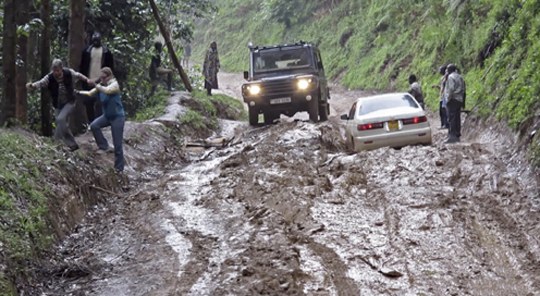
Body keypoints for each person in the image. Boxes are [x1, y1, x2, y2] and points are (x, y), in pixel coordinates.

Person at [26, 59, 91, 151]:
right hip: (58, 104)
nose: (56, 73)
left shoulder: (69, 73)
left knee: (60, 119)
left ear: (61, 69)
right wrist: (32, 85)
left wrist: (87, 80)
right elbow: (41, 82)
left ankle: (63, 142)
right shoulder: (50, 77)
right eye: (54, 70)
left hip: (70, 101)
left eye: (57, 70)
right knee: (60, 123)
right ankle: (64, 144)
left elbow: (78, 75)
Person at [76, 67, 125, 172]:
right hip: (107, 116)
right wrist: (79, 92)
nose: (102, 79)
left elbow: (107, 91)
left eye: (103, 78)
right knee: (94, 126)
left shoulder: (114, 85)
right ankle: (103, 145)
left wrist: (97, 85)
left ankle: (119, 169)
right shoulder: (101, 86)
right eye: (101, 78)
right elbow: (90, 93)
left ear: (109, 76)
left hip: (117, 117)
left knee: (118, 145)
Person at [80, 32, 115, 122]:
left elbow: (110, 67)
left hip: (101, 81)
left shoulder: (106, 52)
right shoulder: (86, 51)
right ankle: (91, 123)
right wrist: (83, 79)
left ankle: (99, 123)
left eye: (97, 40)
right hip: (89, 80)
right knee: (89, 103)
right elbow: (82, 66)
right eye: (94, 40)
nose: (96, 42)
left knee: (100, 102)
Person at [444, 64, 466, 144]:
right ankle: (457, 134)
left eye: (447, 69)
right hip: (459, 99)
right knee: (457, 117)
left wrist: (448, 99)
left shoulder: (450, 77)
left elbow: (451, 89)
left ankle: (452, 136)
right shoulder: (460, 77)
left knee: (451, 118)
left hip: (453, 99)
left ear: (449, 70)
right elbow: (464, 88)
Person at [432, 64, 449, 129]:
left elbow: (445, 87)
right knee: (441, 112)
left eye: (440, 69)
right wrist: (437, 86)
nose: (439, 71)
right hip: (442, 96)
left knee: (444, 111)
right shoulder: (442, 78)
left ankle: (445, 124)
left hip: (444, 97)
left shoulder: (446, 78)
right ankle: (443, 124)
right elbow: (442, 87)